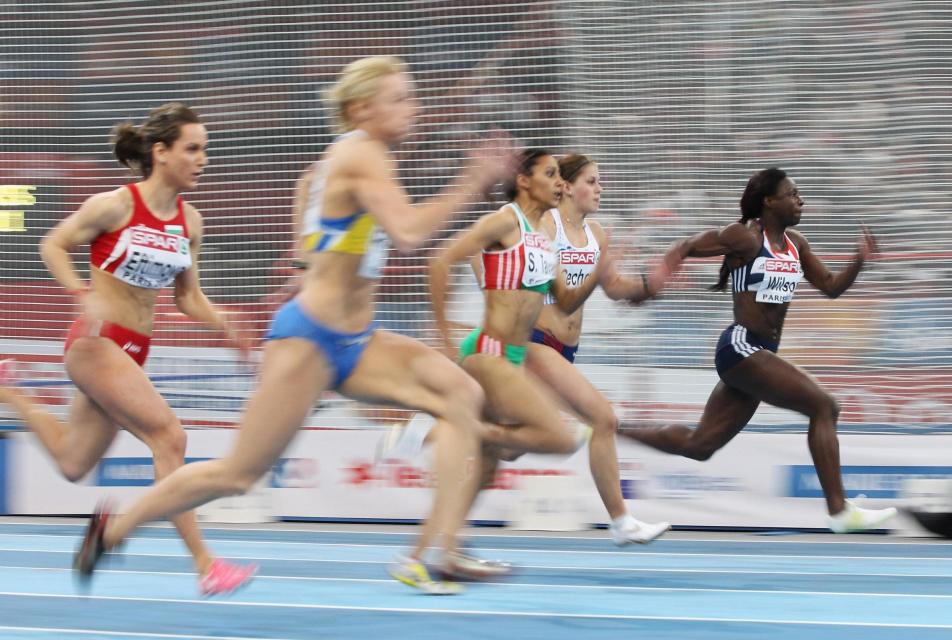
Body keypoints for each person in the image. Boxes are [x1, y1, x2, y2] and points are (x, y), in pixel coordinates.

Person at [73, 56, 514, 595]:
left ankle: (434, 553)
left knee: (461, 396)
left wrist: (318, 243)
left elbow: (321, 225)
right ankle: (112, 530)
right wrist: (473, 179)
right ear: (361, 108)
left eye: (413, 97)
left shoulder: (354, 159)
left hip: (358, 339)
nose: (414, 108)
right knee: (237, 474)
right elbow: (407, 231)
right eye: (400, 98)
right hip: (310, 341)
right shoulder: (361, 153)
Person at [0, 102, 257, 595]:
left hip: (133, 352)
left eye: (206, 150)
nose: (204, 159)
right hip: (95, 345)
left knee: (74, 464)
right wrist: (81, 294)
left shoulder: (190, 222)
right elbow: (52, 244)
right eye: (194, 149)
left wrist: (224, 320)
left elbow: (188, 299)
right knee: (170, 437)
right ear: (161, 152)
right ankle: (205, 565)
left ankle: (9, 392)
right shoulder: (115, 205)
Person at [620, 167, 897, 532]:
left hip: (760, 354)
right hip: (740, 346)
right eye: (793, 194)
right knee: (824, 405)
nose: (801, 201)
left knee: (700, 445)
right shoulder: (746, 238)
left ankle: (613, 429)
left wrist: (858, 261)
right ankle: (840, 512)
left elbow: (830, 287)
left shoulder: (797, 244)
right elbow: (686, 246)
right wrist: (654, 281)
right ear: (769, 201)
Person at [426, 149, 608, 556]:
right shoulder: (504, 220)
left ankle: (448, 545)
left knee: (497, 459)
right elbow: (439, 260)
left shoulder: (544, 237)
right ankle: (457, 428)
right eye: (551, 174)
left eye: (562, 176)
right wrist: (443, 338)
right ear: (524, 181)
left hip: (511, 356)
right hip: (489, 351)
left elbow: (566, 300)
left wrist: (601, 264)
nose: (560, 183)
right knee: (558, 438)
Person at [524, 153, 671, 544]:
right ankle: (622, 522)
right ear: (567, 186)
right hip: (535, 342)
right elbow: (566, 298)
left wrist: (648, 286)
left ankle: (431, 429)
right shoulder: (545, 224)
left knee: (508, 446)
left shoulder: (597, 235)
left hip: (565, 351)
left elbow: (614, 287)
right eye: (592, 181)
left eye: (600, 182)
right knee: (602, 419)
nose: (599, 189)